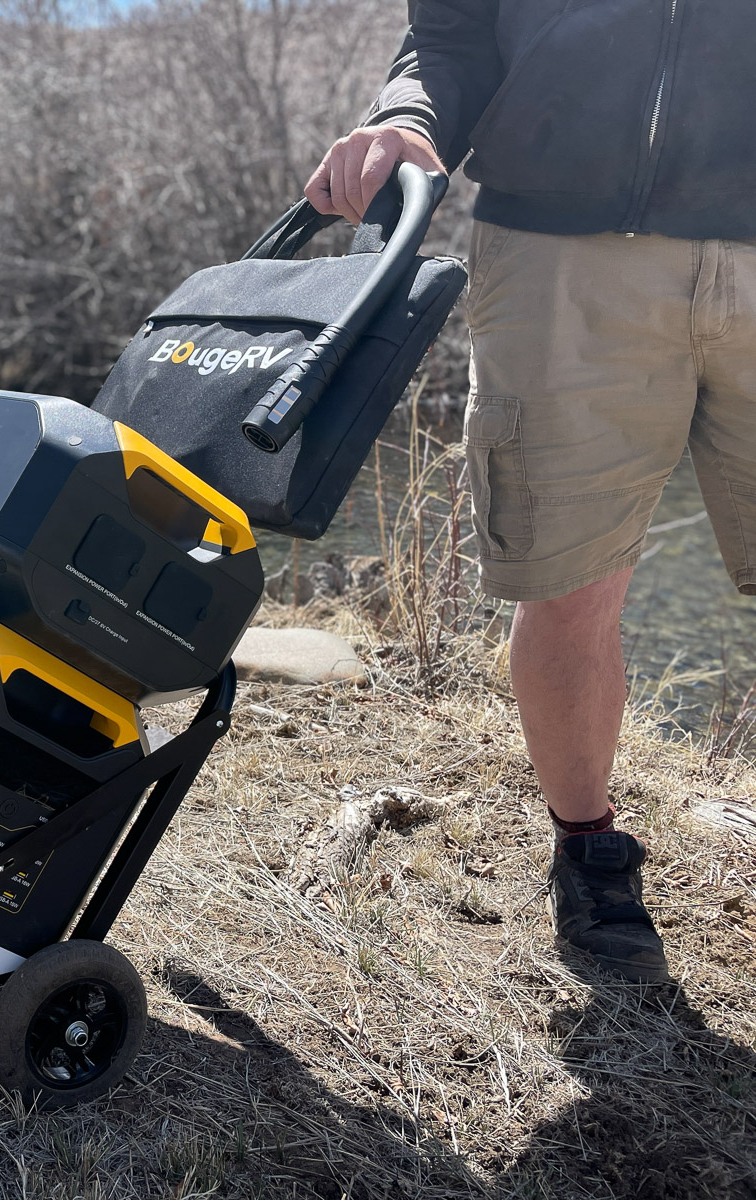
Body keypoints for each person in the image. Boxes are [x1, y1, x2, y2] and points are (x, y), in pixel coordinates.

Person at [305, 2, 756, 983]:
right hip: (559, 257)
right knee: (569, 585)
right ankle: (588, 852)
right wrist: (411, 120)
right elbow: (452, 33)